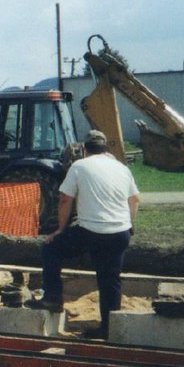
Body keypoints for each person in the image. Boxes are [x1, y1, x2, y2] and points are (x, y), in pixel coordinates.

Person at [35, 129, 140, 338]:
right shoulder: (121, 168)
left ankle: (53, 297)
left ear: (84, 149)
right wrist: (127, 224)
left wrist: (60, 230)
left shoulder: (79, 166)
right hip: (119, 233)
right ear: (105, 148)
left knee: (51, 248)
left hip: (91, 231)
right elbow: (135, 200)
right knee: (110, 278)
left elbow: (65, 199)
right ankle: (108, 329)